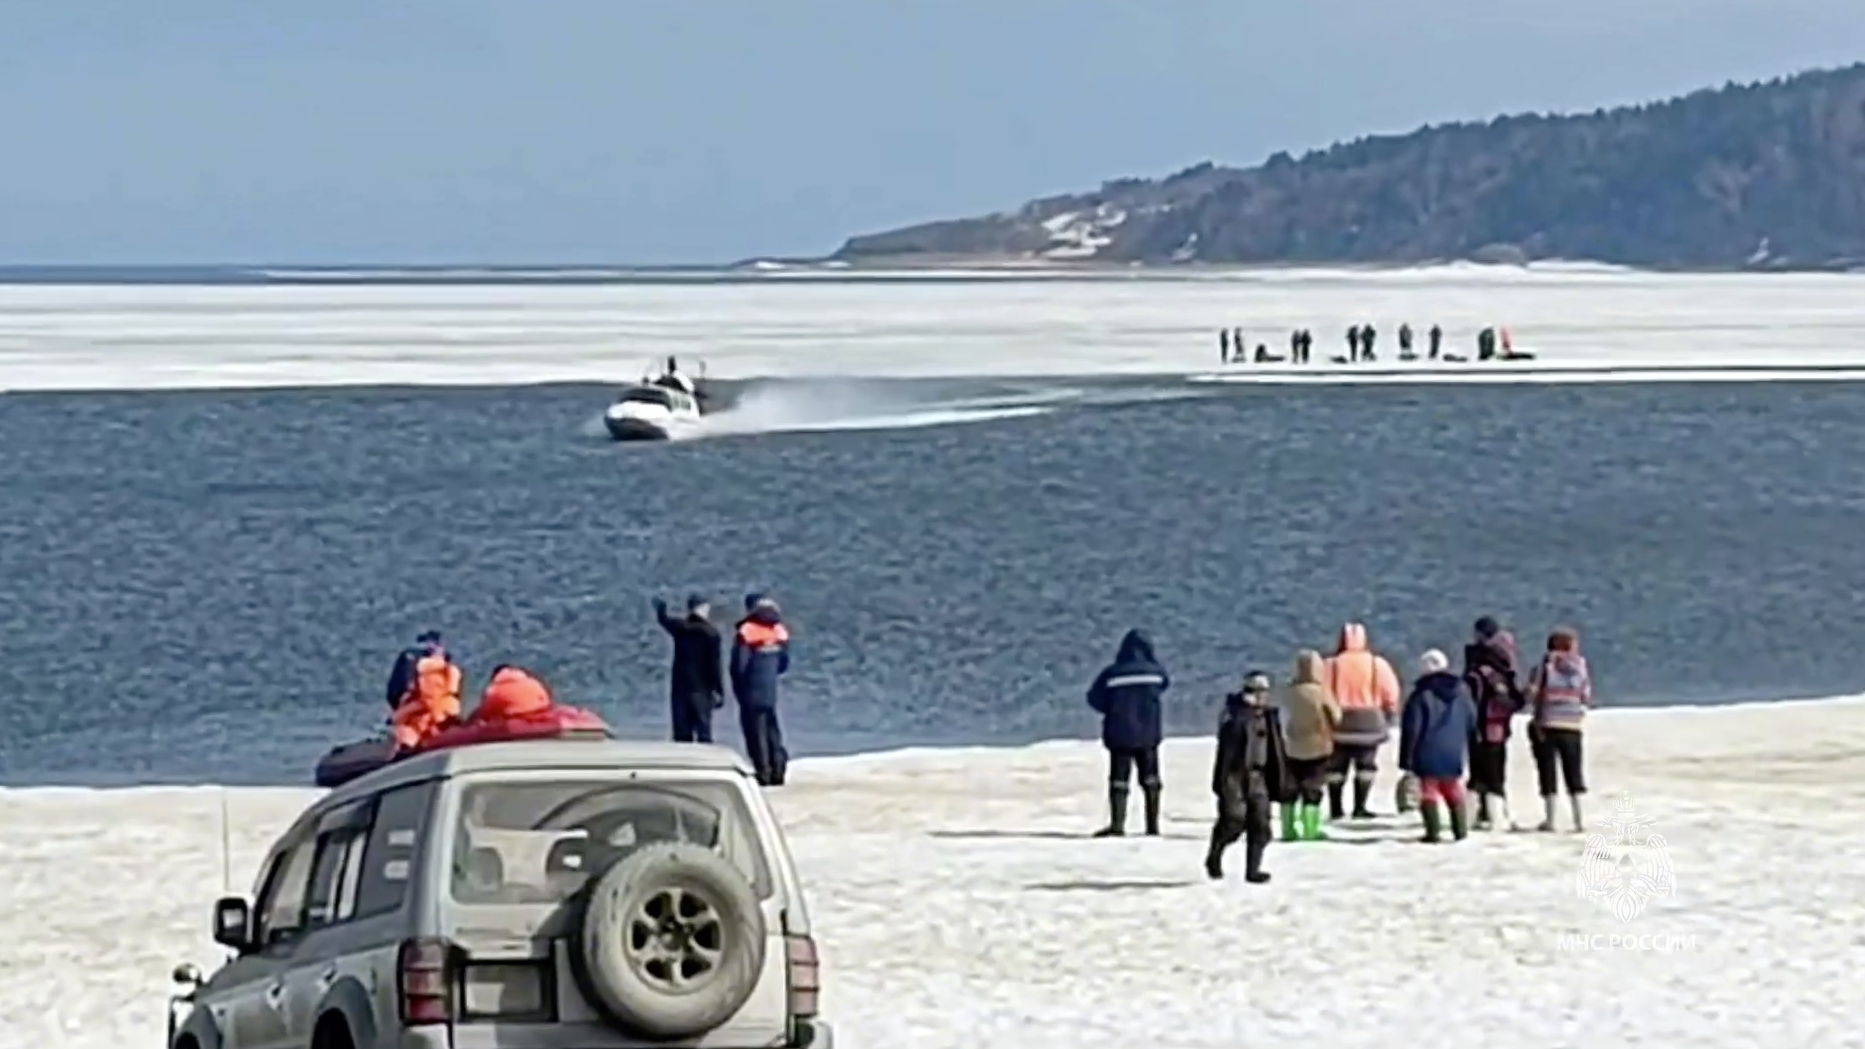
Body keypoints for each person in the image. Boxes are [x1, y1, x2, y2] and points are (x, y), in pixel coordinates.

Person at [1204, 671, 1290, 882]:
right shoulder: (1234, 715)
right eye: (1258, 691)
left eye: (1265, 691)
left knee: (1261, 825)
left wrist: (1283, 778)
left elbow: (1276, 747)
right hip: (1234, 774)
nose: (1263, 696)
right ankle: (1215, 854)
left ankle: (1253, 870)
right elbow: (1227, 747)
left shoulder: (1269, 717)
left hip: (1259, 775)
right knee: (1233, 821)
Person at [1086, 629, 1170, 837]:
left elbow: (1094, 698)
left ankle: (1117, 824)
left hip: (1120, 734)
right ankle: (1152, 826)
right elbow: (1165, 686)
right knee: (1151, 779)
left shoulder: (1112, 673)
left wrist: (1113, 709)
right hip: (1148, 734)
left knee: (1119, 780)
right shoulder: (1156, 673)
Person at [1398, 649, 1479, 843]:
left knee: (1429, 789)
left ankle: (1433, 832)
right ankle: (1460, 830)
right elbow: (1471, 719)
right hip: (1454, 747)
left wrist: (1406, 758)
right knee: (1452, 786)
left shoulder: (1421, 694)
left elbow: (1412, 727)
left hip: (1427, 747)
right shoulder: (1462, 691)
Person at [1322, 622, 1401, 819]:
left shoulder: (1331, 664)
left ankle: (1336, 808)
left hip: (1339, 722)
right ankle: (1360, 806)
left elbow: (1321, 693)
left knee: (1336, 768)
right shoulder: (1377, 664)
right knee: (1366, 766)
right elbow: (1391, 692)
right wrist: (1391, 712)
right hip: (1369, 722)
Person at [1526, 627, 1594, 832]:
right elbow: (1586, 695)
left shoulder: (1544, 665)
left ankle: (1551, 820)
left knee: (1547, 772)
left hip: (1547, 723)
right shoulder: (1581, 665)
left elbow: (1533, 693)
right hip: (1572, 723)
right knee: (1574, 772)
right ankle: (1579, 820)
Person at [1463, 616, 1523, 830]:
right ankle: (1497, 817)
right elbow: (1508, 697)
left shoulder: (1473, 663)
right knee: (1495, 771)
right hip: (1494, 723)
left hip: (1474, 723)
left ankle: (1471, 815)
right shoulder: (1496, 669)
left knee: (1477, 771)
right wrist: (1519, 699)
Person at [1278, 649, 1340, 841]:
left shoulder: (1288, 691)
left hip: (1291, 744)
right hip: (1318, 744)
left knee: (1290, 788)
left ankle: (1288, 828)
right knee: (1312, 786)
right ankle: (1310, 828)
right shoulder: (1320, 692)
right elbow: (1335, 716)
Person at [730, 593, 791, 785]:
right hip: (770, 688)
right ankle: (778, 770)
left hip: (751, 689)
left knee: (756, 732)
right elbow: (784, 663)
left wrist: (738, 685)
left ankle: (763, 772)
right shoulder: (778, 630)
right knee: (772, 729)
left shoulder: (747, 631)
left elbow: (740, 666)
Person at [654, 594, 726, 743]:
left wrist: (661, 610)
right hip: (702, 688)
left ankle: (683, 760)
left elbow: (665, 621)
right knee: (703, 729)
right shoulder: (711, 633)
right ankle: (705, 759)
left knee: (682, 731)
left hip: (681, 685)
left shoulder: (680, 628)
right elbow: (714, 664)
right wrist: (719, 690)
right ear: (703, 608)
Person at [390, 647, 463, 751]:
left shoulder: (430, 674)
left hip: (431, 724)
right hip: (440, 719)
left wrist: (398, 715)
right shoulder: (451, 671)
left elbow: (426, 702)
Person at [463, 664, 553, 724]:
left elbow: (483, 713)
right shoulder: (534, 683)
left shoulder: (494, 691)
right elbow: (547, 701)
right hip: (538, 714)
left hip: (514, 720)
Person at [385, 630, 447, 711]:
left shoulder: (445, 662)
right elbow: (404, 684)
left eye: (438, 645)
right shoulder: (411, 657)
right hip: (409, 700)